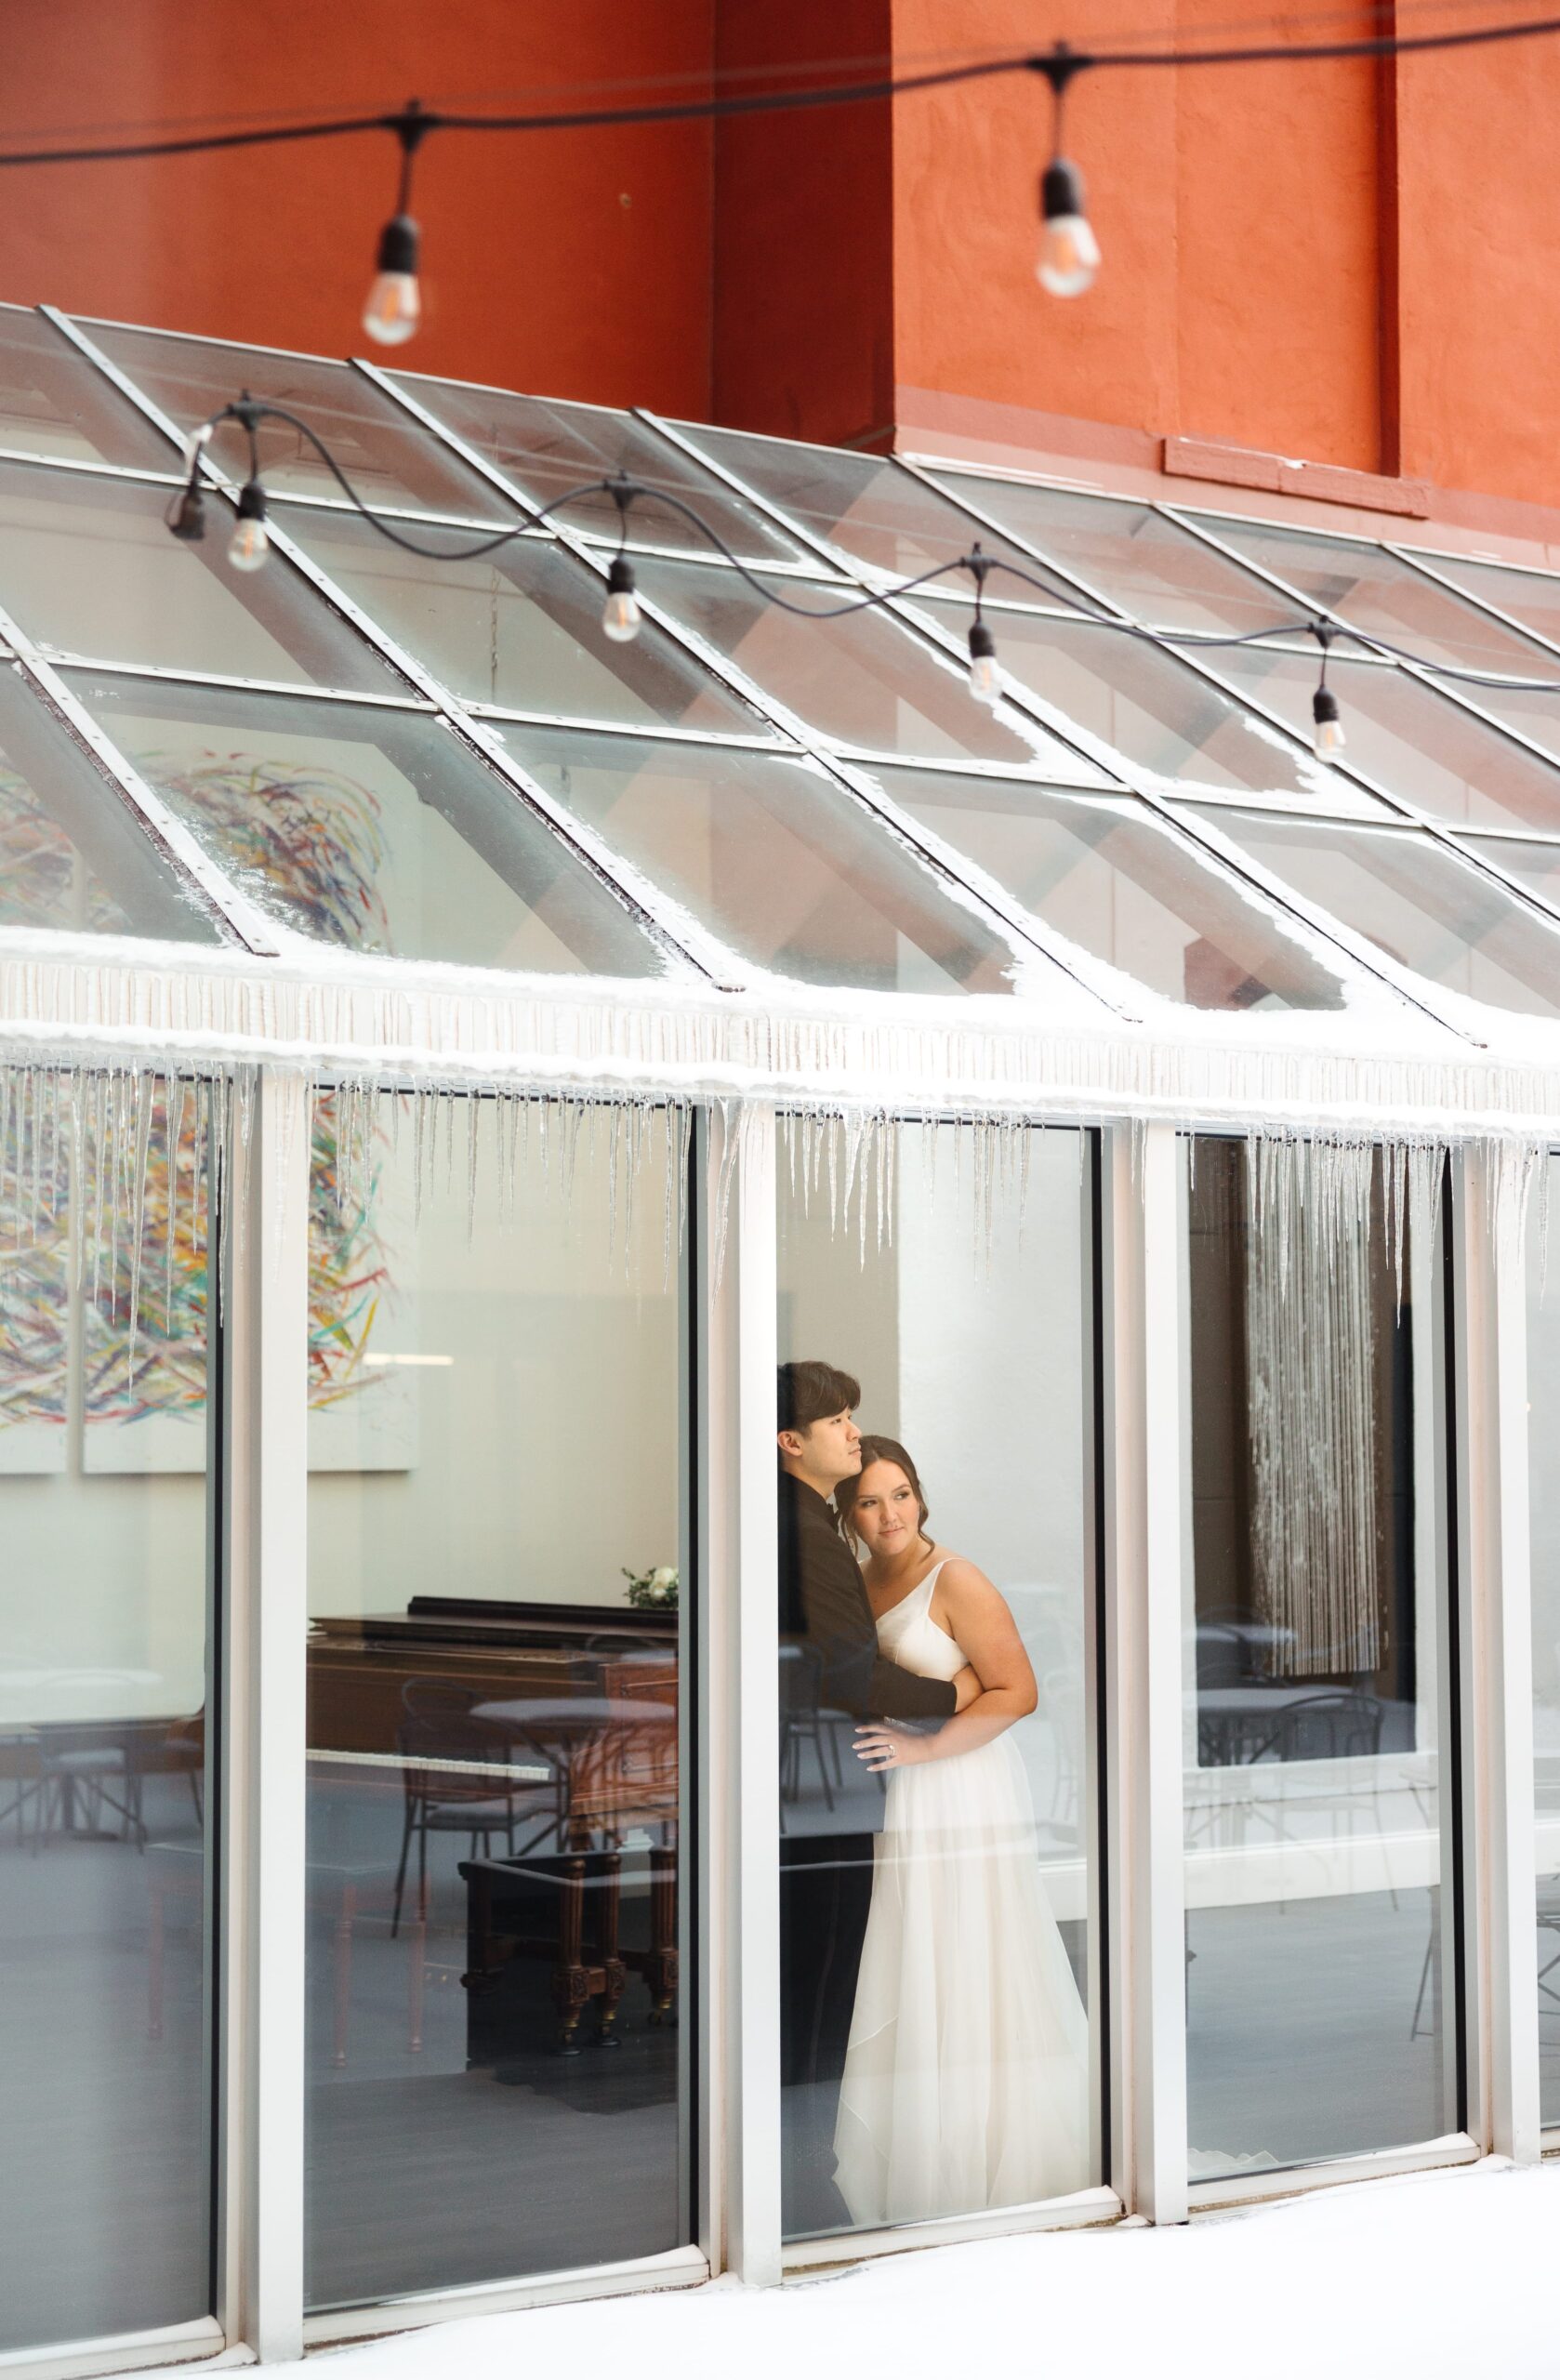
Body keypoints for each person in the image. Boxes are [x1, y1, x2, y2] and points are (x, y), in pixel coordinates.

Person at [832, 1435, 1089, 2228]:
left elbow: (1017, 1692)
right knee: (915, 1956)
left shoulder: (958, 1578)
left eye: (900, 1493)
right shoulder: (857, 1581)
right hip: (897, 1796)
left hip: (960, 1784)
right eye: (870, 1501)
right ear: (848, 1514)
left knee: (968, 1954)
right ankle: (921, 2160)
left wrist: (925, 1746)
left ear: (921, 1495)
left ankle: (988, 2163)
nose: (889, 1514)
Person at [776, 1363, 979, 2237]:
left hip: (863, 1780)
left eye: (899, 1494)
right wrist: (954, 1695)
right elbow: (847, 1671)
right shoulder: (808, 1532)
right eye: (838, 1420)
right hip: (830, 1780)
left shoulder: (812, 1526)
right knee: (819, 1981)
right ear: (794, 1442)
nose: (851, 1431)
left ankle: (803, 2164)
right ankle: (803, 2177)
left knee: (824, 1979)